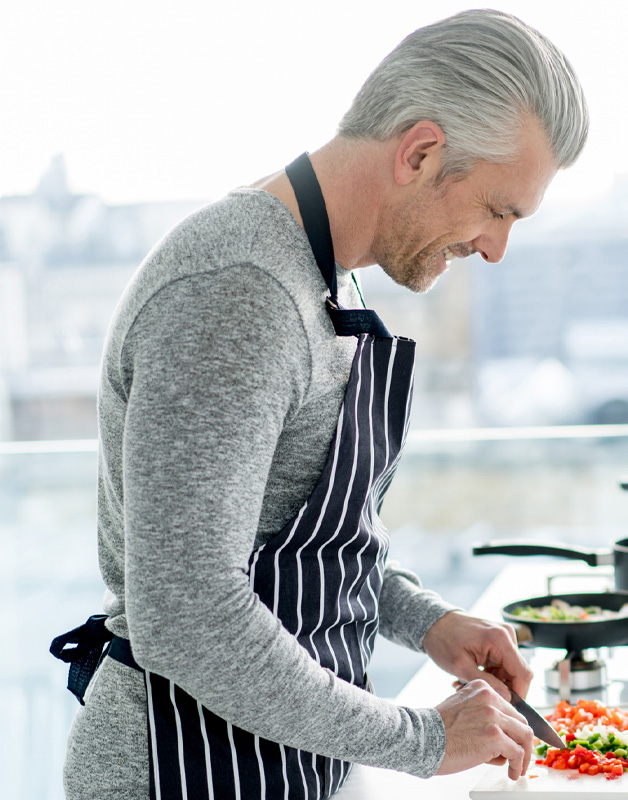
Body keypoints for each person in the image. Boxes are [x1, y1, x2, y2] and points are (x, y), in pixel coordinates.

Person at [51, 9, 588, 799]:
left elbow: (293, 544)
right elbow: (188, 614)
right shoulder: (239, 292)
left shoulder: (320, 278)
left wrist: (427, 622)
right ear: (421, 152)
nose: (496, 247)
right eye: (498, 210)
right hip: (180, 766)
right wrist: (422, 738)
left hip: (275, 759)